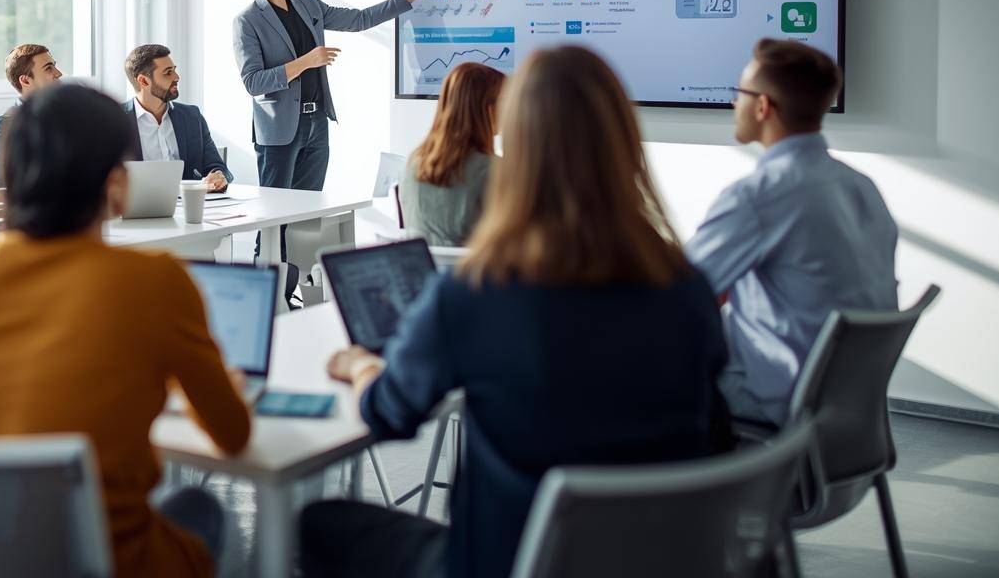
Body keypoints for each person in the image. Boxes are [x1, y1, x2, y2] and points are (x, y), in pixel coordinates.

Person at [301, 46, 726, 578]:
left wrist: (362, 367)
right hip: (662, 560)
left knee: (318, 524)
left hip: (507, 562)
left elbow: (389, 412)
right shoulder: (686, 291)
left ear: (521, 140)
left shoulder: (474, 299)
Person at [0, 84, 251, 578]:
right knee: (201, 505)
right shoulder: (155, 280)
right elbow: (233, 436)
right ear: (115, 183)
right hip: (111, 558)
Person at [687, 39, 897, 428]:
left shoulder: (757, 197)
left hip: (775, 396)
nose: (735, 104)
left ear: (763, 105)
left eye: (740, 94)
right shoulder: (862, 187)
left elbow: (675, 289)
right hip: (850, 402)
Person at [233, 0, 444, 260]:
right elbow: (253, 81)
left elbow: (360, 19)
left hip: (317, 123)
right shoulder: (248, 20)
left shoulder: (307, 3)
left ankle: (291, 295)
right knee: (274, 224)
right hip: (278, 133)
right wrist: (306, 60)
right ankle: (269, 294)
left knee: (305, 220)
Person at [400, 62, 505, 247]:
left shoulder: (414, 162)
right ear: (489, 110)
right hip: (478, 274)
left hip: (426, 272)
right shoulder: (494, 170)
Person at [122, 43, 232, 191]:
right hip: (138, 209)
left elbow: (217, 166)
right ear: (144, 81)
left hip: (191, 208)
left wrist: (218, 175)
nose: (177, 77)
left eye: (174, 70)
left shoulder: (192, 117)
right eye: (168, 73)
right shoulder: (114, 120)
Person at [0, 43, 63, 190]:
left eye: (54, 66)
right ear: (25, 80)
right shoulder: (2, 125)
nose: (58, 73)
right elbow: (14, 172)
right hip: (21, 206)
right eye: (48, 68)